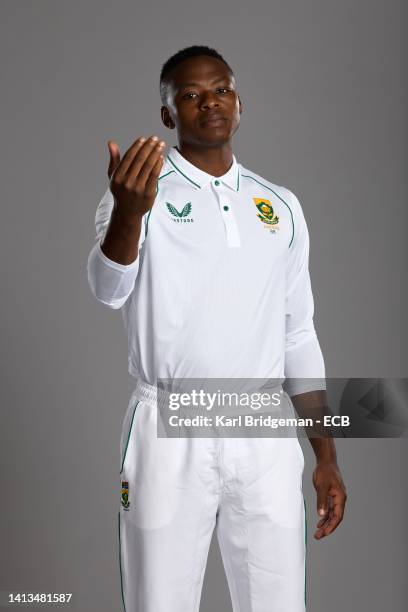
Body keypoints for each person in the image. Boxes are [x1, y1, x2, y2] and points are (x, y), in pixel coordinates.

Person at [87, 45, 347, 612]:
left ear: (239, 101)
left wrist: (325, 455)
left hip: (260, 427)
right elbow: (108, 291)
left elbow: (298, 334)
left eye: (221, 89)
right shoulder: (137, 190)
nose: (210, 103)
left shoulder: (279, 205)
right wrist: (130, 212)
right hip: (169, 423)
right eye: (190, 95)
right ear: (167, 116)